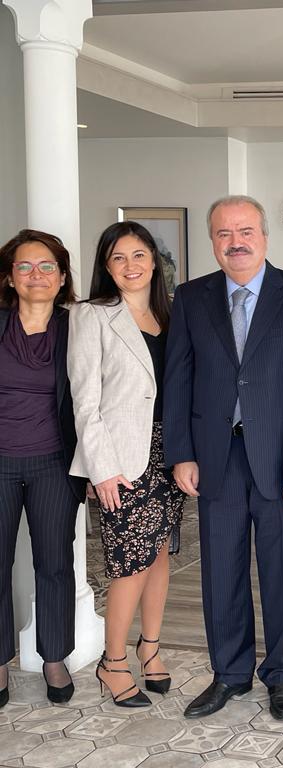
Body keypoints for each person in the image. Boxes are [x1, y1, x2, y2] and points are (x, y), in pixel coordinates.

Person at [164, 195, 283, 720]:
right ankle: (229, 674)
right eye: (224, 233)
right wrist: (181, 453)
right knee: (221, 570)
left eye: (245, 231)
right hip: (216, 456)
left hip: (280, 459)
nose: (235, 242)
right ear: (212, 241)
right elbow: (178, 378)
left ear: (264, 236)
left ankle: (281, 674)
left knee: (281, 572)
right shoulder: (190, 297)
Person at [68, 221, 186, 707]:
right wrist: (101, 468)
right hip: (121, 460)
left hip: (169, 453)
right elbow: (84, 400)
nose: (130, 265)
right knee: (129, 563)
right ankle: (112, 661)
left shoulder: (172, 315)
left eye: (139, 255)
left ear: (154, 261)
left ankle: (149, 648)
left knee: (158, 556)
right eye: (118, 257)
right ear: (106, 266)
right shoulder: (91, 315)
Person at [0, 230, 86, 708]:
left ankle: (54, 657)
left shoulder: (78, 327)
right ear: (10, 278)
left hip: (55, 463)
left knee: (54, 564)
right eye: (25, 267)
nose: (37, 275)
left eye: (47, 266)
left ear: (62, 276)